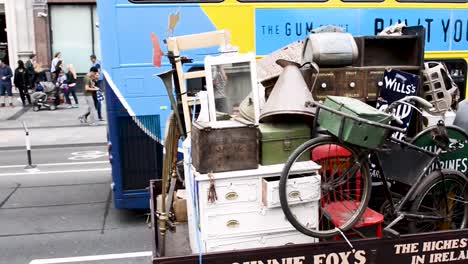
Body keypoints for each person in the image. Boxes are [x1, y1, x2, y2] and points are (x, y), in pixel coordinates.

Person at [90, 55, 104, 120]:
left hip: (98, 81)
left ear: (94, 58)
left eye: (91, 59)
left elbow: (98, 71)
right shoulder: (96, 63)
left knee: (98, 100)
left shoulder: (97, 64)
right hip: (96, 81)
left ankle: (99, 116)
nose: (90, 60)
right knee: (96, 100)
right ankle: (98, 116)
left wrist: (95, 76)